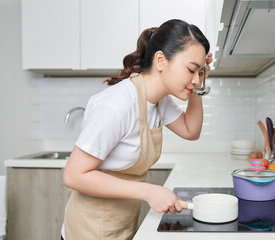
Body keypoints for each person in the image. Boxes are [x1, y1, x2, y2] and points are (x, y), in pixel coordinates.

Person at [61, 19, 212, 240]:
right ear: (160, 60)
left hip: (121, 225)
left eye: (201, 73)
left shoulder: (159, 100)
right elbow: (73, 175)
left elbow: (191, 131)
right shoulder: (118, 104)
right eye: (191, 69)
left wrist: (200, 81)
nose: (196, 80)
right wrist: (150, 191)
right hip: (89, 231)